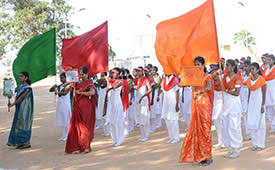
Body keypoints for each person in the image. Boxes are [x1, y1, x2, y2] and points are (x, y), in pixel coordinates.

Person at [179, 56, 214, 166]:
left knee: (204, 129)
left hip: (204, 104)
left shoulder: (207, 76)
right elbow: (183, 83)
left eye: (198, 64)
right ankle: (199, 155)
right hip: (195, 104)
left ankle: (207, 156)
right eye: (195, 64)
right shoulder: (193, 76)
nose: (196, 66)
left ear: (203, 65)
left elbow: (209, 87)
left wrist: (200, 92)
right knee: (196, 130)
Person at [65, 66, 96, 154]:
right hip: (77, 106)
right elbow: (66, 89)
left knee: (85, 127)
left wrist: (81, 92)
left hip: (86, 106)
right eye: (80, 74)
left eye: (83, 74)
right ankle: (78, 146)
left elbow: (92, 92)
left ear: (87, 74)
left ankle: (86, 146)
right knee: (77, 127)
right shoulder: (77, 82)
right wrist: (72, 85)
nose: (81, 76)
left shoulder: (89, 82)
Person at [221, 59, 243, 158]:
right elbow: (219, 86)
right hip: (226, 103)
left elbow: (237, 93)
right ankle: (230, 148)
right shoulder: (224, 77)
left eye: (228, 66)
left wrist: (225, 90)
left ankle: (236, 148)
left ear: (233, 67)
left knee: (234, 126)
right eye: (225, 66)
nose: (226, 68)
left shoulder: (237, 78)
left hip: (234, 104)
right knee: (226, 126)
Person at [7, 71, 33, 149]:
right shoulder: (19, 86)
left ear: (26, 78)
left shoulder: (28, 88)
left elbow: (21, 98)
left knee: (24, 123)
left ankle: (26, 142)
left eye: (22, 76)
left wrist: (12, 104)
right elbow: (12, 92)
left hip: (25, 109)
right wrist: (8, 94)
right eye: (20, 76)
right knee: (18, 123)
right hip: (19, 108)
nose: (20, 78)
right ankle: (20, 142)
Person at [246, 63, 266, 150]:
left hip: (259, 102)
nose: (251, 70)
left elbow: (264, 93)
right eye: (250, 69)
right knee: (252, 122)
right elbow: (249, 92)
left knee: (260, 123)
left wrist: (262, 105)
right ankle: (254, 144)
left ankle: (261, 144)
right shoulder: (249, 79)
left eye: (253, 69)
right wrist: (248, 103)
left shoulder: (261, 80)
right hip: (251, 103)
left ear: (258, 70)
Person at [106, 68, 125, 146]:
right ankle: (114, 139)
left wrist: (110, 88)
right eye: (112, 73)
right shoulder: (110, 81)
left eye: (114, 73)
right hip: (111, 103)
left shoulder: (120, 82)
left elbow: (118, 85)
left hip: (117, 102)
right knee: (112, 122)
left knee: (117, 121)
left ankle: (119, 139)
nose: (113, 74)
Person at [49, 72, 72, 141]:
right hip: (60, 104)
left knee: (66, 119)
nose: (61, 79)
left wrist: (58, 93)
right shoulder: (59, 86)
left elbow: (65, 93)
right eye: (60, 78)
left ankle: (67, 135)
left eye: (62, 78)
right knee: (62, 119)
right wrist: (53, 87)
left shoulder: (69, 85)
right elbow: (50, 90)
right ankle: (63, 135)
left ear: (66, 77)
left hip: (66, 104)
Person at [161, 74, 180, 144]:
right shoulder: (164, 80)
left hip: (173, 102)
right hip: (166, 103)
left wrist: (177, 104)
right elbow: (163, 92)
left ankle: (176, 137)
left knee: (173, 120)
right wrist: (163, 104)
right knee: (167, 120)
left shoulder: (174, 79)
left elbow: (177, 92)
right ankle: (171, 137)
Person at [135, 67, 152, 142]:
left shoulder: (145, 79)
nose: (138, 73)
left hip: (144, 100)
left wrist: (143, 96)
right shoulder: (138, 80)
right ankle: (143, 135)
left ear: (142, 72)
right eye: (137, 71)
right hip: (138, 100)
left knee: (144, 117)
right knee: (139, 117)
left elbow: (150, 89)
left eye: (139, 71)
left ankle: (146, 135)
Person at [210, 64, 224, 148]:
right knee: (216, 122)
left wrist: (219, 75)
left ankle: (225, 141)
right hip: (215, 103)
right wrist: (215, 74)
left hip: (222, 102)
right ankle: (220, 141)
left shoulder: (222, 79)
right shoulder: (212, 79)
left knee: (222, 121)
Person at [263, 54, 275, 133]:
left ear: (273, 60)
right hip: (267, 91)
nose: (268, 61)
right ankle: (272, 126)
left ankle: (274, 125)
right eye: (267, 60)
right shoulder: (266, 69)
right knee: (269, 110)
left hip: (274, 90)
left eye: (270, 60)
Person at [240, 60, 251, 140]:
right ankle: (248, 131)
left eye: (246, 66)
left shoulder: (252, 75)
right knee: (244, 113)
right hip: (242, 96)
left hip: (250, 96)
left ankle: (251, 131)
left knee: (249, 113)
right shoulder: (242, 75)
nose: (245, 68)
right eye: (244, 66)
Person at [150, 66, 162, 132]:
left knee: (158, 108)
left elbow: (160, 87)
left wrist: (158, 95)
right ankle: (154, 124)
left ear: (156, 71)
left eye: (154, 70)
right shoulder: (151, 78)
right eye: (152, 70)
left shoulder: (159, 78)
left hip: (157, 93)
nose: (152, 71)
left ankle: (159, 122)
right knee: (153, 108)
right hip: (152, 93)